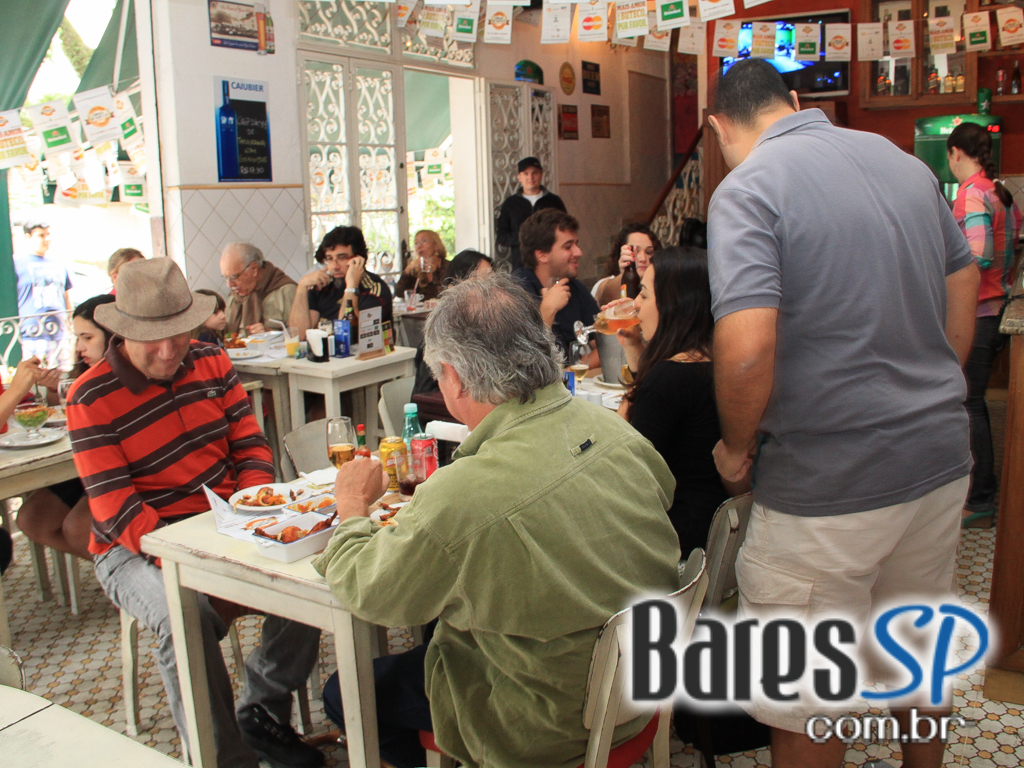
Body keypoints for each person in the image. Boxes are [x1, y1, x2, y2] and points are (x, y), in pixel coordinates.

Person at [706, 59, 978, 768]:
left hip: (830, 482)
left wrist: (736, 450)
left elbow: (743, 352)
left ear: (718, 127)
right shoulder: (900, 164)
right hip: (937, 457)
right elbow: (964, 276)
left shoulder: (749, 188)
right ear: (796, 103)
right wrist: (935, 380)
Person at [312, 273, 682, 768]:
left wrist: (352, 508)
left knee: (346, 691)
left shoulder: (463, 493)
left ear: (455, 378)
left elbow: (373, 594)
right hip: (640, 689)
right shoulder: (615, 431)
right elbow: (664, 494)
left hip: (542, 720)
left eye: (438, 377)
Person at [66, 259, 324, 768]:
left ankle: (262, 710)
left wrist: (254, 512)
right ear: (122, 333)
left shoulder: (212, 360)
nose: (168, 352)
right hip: (134, 548)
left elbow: (251, 448)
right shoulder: (89, 396)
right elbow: (118, 511)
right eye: (151, 341)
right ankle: (223, 758)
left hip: (226, 521)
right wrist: (196, 562)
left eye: (178, 336)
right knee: (180, 614)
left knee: (310, 567)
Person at [613, 246, 736, 554]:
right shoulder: (717, 365)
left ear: (672, 304)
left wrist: (629, 400)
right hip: (714, 528)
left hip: (676, 539)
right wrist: (634, 346)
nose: (636, 306)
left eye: (643, 294)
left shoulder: (670, 377)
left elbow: (625, 466)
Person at [947, 122, 1023, 528]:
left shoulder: (972, 194)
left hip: (976, 312)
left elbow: (978, 254)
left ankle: (979, 499)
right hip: (997, 308)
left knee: (970, 404)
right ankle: (982, 494)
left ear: (956, 153)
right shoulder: (1002, 193)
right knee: (974, 402)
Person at [16, 295, 116, 560]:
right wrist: (53, 391)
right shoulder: (83, 374)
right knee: (30, 518)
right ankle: (112, 570)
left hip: (109, 467)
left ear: (112, 335)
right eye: (77, 338)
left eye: (87, 338)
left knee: (76, 527)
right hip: (77, 466)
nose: (80, 347)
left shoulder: (124, 375)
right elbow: (63, 416)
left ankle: (122, 574)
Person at [512, 209, 599, 363]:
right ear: (542, 255)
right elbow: (522, 360)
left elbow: (603, 347)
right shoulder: (515, 291)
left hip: (570, 384)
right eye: (568, 246)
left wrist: (570, 373)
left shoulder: (577, 288)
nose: (579, 252)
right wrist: (548, 309)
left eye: (577, 244)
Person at [289, 226, 393, 340]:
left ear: (359, 259)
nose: (335, 266)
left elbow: (347, 337)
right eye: (329, 258)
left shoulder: (374, 289)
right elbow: (298, 335)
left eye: (342, 258)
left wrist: (351, 287)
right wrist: (302, 286)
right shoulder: (322, 287)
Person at [412, 250, 493, 396]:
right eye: (477, 281)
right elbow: (426, 394)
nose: (487, 289)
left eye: (491, 281)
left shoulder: (492, 326)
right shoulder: (440, 334)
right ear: (453, 287)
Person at [15, 212, 72, 365]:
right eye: (41, 235)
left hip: (59, 334)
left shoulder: (59, 264)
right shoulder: (16, 264)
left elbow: (66, 297)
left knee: (60, 381)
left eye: (48, 234)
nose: (46, 239)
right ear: (27, 237)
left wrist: (70, 326)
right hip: (31, 335)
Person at [495, 156, 567, 271]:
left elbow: (565, 229)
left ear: (541, 174)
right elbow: (502, 236)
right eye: (526, 173)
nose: (530, 177)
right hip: (521, 264)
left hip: (550, 262)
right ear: (519, 177)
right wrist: (524, 238)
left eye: (535, 173)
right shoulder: (510, 204)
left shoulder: (554, 201)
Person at [220, 242, 297, 336]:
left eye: (234, 276)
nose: (229, 284)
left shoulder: (286, 291)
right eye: (226, 277)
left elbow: (300, 335)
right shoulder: (236, 295)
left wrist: (270, 333)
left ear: (254, 268)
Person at [593, 223, 662, 306]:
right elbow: (604, 293)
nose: (643, 258)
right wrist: (625, 275)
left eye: (649, 252)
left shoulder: (659, 286)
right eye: (635, 251)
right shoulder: (607, 283)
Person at [396, 229, 447, 302]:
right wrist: (407, 271)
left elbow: (444, 295)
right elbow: (399, 293)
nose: (419, 246)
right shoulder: (416, 269)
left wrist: (434, 272)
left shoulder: (448, 266)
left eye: (424, 241)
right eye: (416, 243)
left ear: (436, 245)